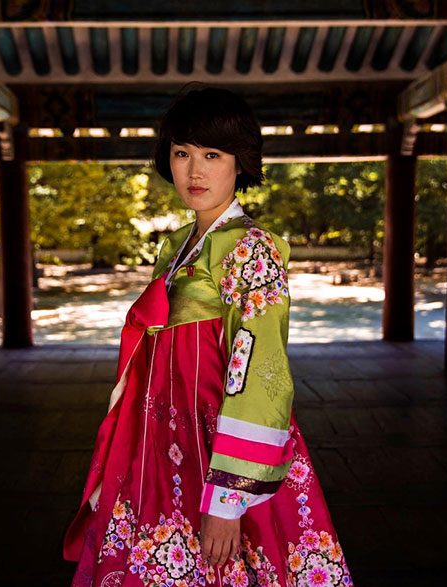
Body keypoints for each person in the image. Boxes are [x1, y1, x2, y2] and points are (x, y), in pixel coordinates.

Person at [64, 84, 354, 587]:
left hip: (222, 449)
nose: (194, 171)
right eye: (182, 153)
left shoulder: (251, 249)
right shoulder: (176, 247)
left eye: (212, 155)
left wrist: (229, 498)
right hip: (163, 442)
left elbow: (263, 373)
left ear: (239, 162)